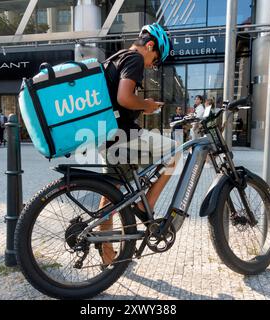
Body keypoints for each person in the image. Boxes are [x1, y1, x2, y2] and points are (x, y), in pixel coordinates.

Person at [98, 23, 179, 265]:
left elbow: (118, 101)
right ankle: (146, 207)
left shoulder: (116, 58)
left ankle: (107, 253)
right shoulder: (133, 58)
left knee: (110, 194)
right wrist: (147, 105)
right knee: (176, 151)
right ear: (151, 45)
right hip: (124, 135)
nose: (153, 64)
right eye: (155, 59)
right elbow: (124, 97)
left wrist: (140, 105)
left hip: (108, 135)